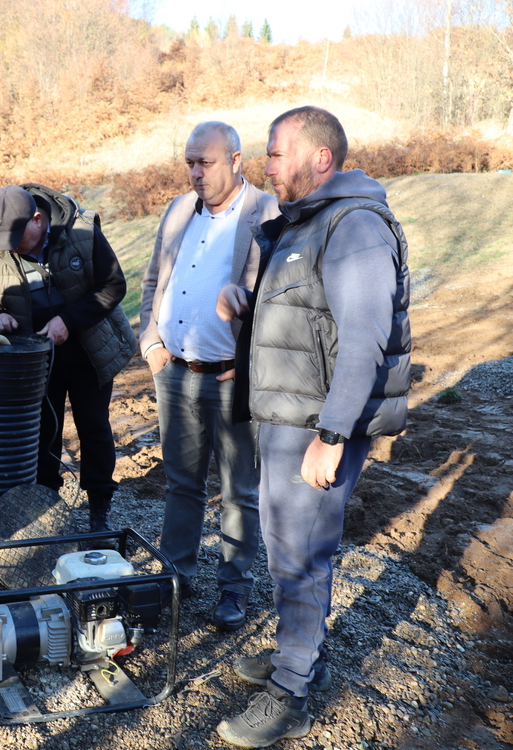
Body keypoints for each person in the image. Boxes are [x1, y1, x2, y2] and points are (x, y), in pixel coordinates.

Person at [213, 106, 410, 747]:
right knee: (283, 547)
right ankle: (290, 655)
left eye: (275, 152)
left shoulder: (354, 226)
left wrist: (332, 435)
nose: (265, 164)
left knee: (302, 555)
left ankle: (291, 691)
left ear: (319, 158)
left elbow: (363, 339)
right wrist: (246, 309)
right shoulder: (301, 224)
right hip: (283, 419)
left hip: (315, 428)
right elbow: (305, 322)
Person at [139, 121, 279, 631]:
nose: (196, 173)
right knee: (181, 485)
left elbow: (282, 298)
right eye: (190, 163)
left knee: (238, 489)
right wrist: (151, 342)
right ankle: (175, 578)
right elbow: (155, 278)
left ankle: (233, 590)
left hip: (231, 379)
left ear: (237, 161)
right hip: (174, 372)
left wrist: (253, 364)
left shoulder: (267, 213)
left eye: (207, 162)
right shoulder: (179, 210)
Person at [0, 184, 137, 532]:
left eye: (18, 237)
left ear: (37, 219)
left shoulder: (82, 232)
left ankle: (98, 510)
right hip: (34, 360)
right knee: (42, 432)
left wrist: (69, 321)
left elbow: (113, 286)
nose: (11, 246)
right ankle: (45, 509)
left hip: (89, 353)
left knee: (94, 427)